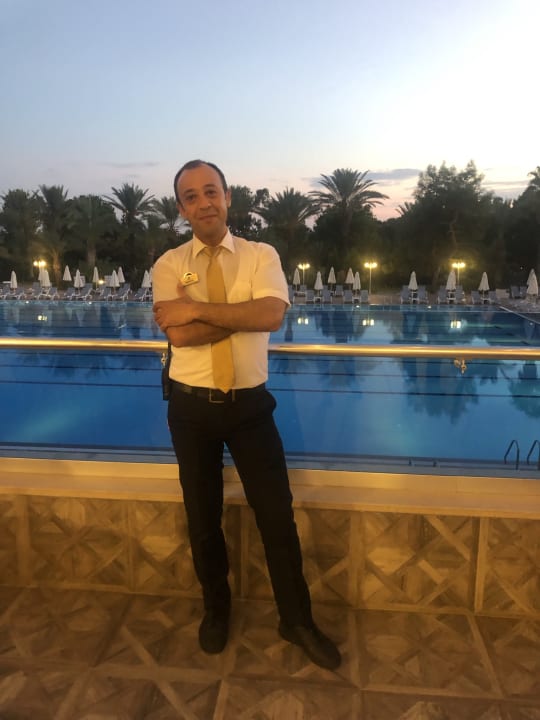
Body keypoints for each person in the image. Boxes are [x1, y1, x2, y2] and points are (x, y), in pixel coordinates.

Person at [152, 159, 341, 670]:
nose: (203, 202)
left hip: (251, 408)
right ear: (182, 208)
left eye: (210, 191)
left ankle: (296, 619)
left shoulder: (262, 254)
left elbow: (272, 315)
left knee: (277, 517)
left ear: (228, 196)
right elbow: (179, 336)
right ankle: (217, 610)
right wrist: (242, 315)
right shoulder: (168, 264)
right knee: (202, 519)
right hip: (190, 410)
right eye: (191, 196)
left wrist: (197, 308)